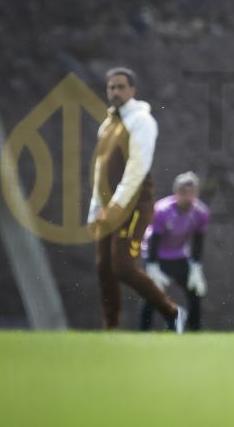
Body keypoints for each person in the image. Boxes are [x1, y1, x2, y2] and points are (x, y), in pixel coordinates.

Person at [88, 67, 186, 333]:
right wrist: (95, 208)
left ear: (133, 91)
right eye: (111, 88)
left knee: (122, 265)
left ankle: (173, 312)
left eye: (121, 87)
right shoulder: (107, 125)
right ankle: (111, 327)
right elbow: (99, 170)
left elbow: (137, 167)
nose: (116, 92)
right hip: (108, 207)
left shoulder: (142, 121)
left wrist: (117, 205)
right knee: (104, 267)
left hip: (133, 205)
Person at [139, 171, 210, 332]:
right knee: (151, 296)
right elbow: (153, 239)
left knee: (195, 293)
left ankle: (195, 331)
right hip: (157, 257)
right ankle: (144, 331)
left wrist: (196, 267)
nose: (188, 197)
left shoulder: (201, 213)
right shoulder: (162, 210)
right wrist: (152, 266)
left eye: (192, 193)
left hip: (179, 256)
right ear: (176, 193)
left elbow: (198, 241)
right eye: (184, 192)